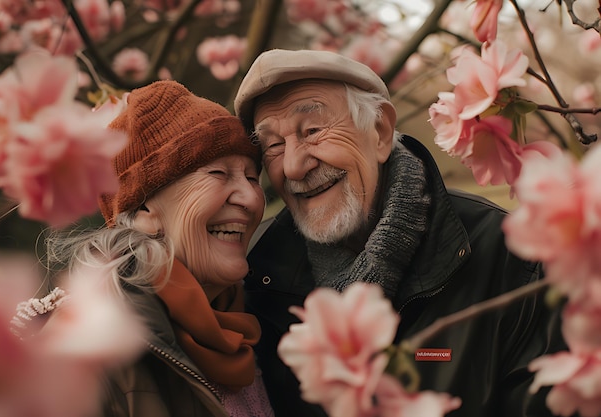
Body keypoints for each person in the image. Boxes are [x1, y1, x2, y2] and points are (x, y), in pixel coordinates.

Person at [233, 49, 566, 417]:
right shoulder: (252, 274)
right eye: (273, 146)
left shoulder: (509, 258)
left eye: (312, 131)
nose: (294, 167)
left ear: (379, 131)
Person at [34, 80, 275, 417]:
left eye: (252, 178)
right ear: (145, 210)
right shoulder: (89, 353)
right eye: (219, 173)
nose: (251, 199)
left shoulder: (262, 323)